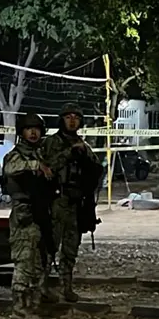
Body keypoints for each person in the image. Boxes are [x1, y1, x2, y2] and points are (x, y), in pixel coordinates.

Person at [40, 103, 103, 302]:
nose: (73, 120)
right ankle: (41, 287)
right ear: (62, 119)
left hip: (77, 203)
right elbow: (47, 168)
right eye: (68, 116)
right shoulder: (51, 143)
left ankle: (66, 287)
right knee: (50, 246)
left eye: (76, 117)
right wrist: (69, 153)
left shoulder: (84, 146)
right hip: (57, 200)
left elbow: (97, 170)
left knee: (71, 248)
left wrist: (85, 159)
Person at [1, 113, 56, 319]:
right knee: (24, 262)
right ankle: (20, 308)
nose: (33, 133)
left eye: (37, 129)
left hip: (42, 213)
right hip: (24, 215)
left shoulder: (41, 153)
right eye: (28, 129)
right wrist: (35, 167)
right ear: (21, 132)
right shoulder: (16, 156)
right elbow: (9, 169)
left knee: (42, 258)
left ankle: (37, 296)